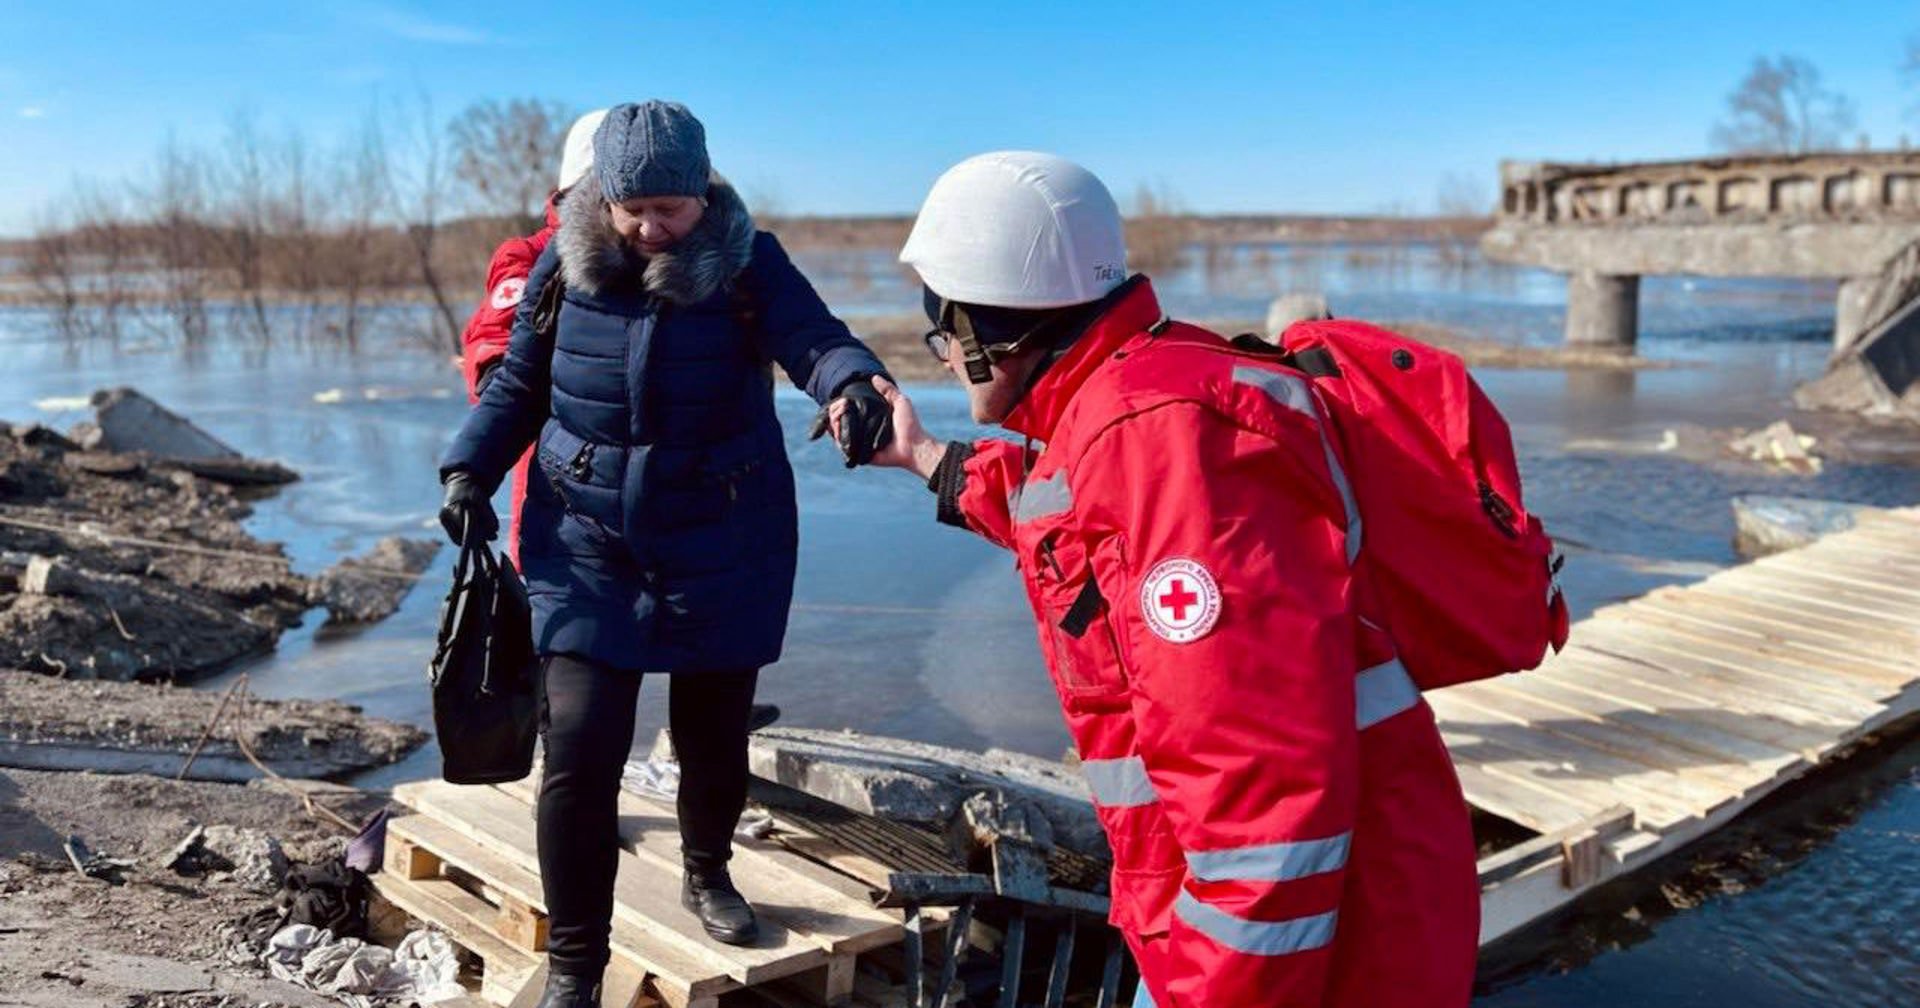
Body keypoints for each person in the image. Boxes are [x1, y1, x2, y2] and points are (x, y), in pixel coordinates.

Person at [846, 152, 1479, 1007]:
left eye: (943, 337)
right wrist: (927, 459)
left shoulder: (1165, 440)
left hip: (1301, 947)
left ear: (993, 326)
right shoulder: (1145, 382)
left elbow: (1261, 804)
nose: (946, 364)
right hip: (1244, 919)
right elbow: (1083, 536)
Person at [437, 101, 895, 1008]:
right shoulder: (560, 268)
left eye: (671, 210)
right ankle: (576, 964)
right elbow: (521, 384)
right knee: (576, 748)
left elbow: (816, 340)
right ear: (602, 198)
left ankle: (708, 870)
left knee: (713, 733)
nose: (651, 228)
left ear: (703, 192)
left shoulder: (749, 262)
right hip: (585, 539)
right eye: (633, 208)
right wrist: (469, 469)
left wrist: (850, 384)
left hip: (723, 531)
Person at [457, 108, 607, 565]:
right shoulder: (530, 257)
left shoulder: (666, 255)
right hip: (556, 473)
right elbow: (493, 341)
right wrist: (502, 384)